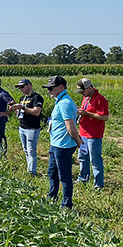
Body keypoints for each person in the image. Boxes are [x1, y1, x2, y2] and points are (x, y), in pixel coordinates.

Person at [42, 75, 83, 209]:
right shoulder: (60, 101)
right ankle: (52, 196)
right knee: (52, 172)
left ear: (61, 87)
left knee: (64, 176)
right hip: (56, 144)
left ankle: (66, 204)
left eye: (51, 89)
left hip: (63, 146)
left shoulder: (65, 103)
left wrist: (78, 141)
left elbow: (70, 128)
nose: (49, 91)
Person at [75, 78, 109, 190]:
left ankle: (98, 184)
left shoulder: (100, 99)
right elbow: (85, 110)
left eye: (83, 91)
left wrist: (87, 114)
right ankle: (83, 178)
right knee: (83, 157)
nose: (82, 94)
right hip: (83, 132)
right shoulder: (86, 98)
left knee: (95, 159)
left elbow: (105, 117)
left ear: (90, 88)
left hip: (94, 135)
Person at [9, 79, 44, 176]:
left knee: (31, 150)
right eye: (19, 87)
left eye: (22, 86)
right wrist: (14, 107)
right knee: (25, 150)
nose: (21, 89)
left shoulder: (36, 97)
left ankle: (32, 172)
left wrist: (23, 107)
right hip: (22, 127)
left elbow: (37, 112)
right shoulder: (22, 98)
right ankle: (29, 168)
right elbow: (20, 114)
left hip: (32, 128)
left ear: (29, 85)